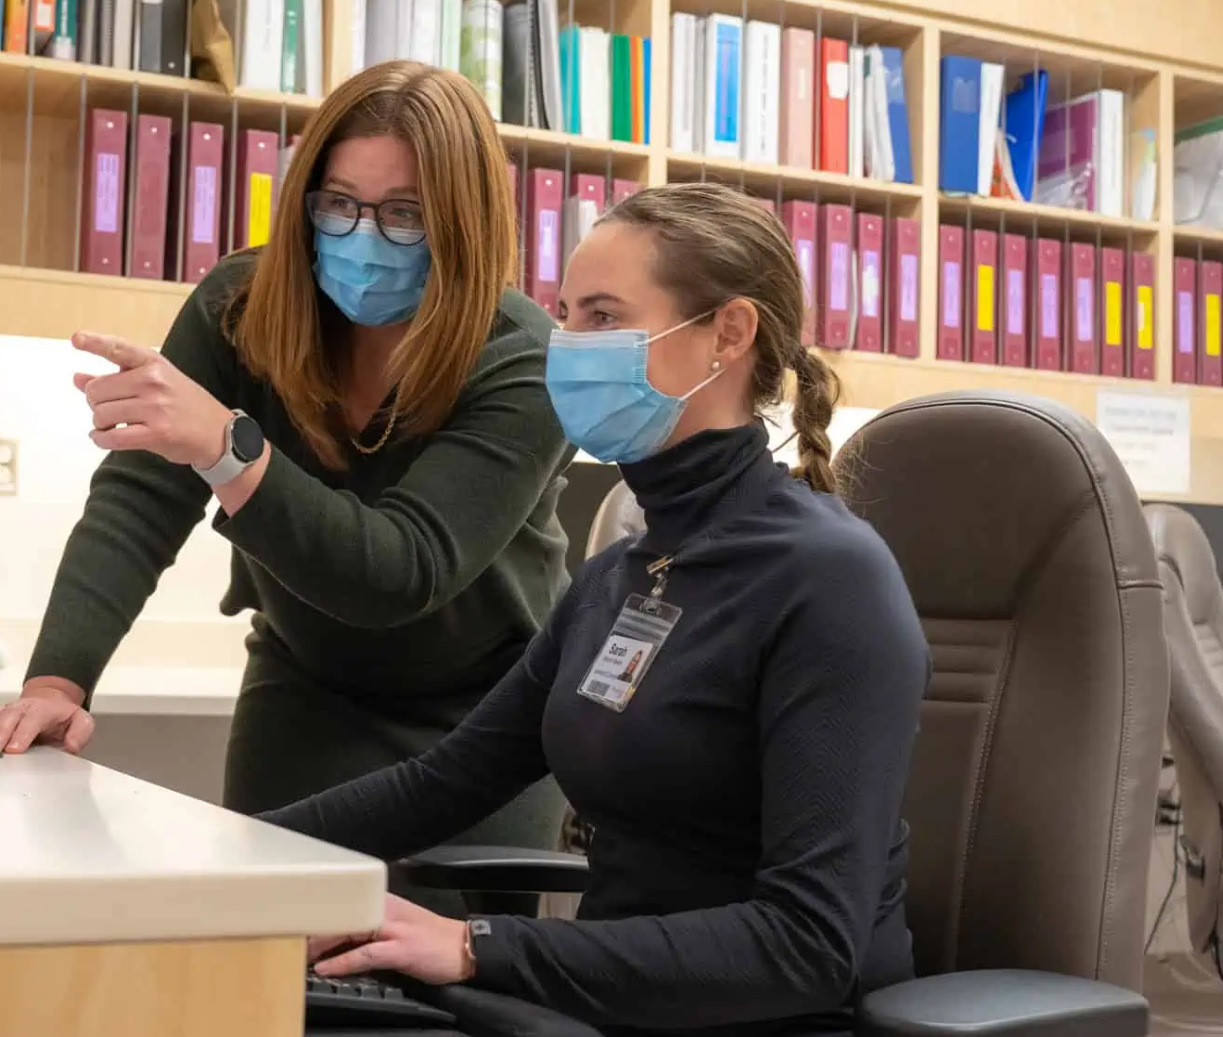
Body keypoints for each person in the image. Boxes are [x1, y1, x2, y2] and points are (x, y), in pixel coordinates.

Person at [267, 181, 931, 1036]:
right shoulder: (625, 571)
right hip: (610, 1006)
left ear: (729, 334)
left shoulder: (830, 580)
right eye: (566, 315)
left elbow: (808, 945)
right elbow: (446, 781)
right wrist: (216, 852)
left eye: (604, 317)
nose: (569, 345)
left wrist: (474, 943)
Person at [0, 61, 573, 915]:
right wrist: (56, 684)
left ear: (462, 223)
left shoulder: (525, 357)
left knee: (446, 972)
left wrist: (228, 446)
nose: (363, 235)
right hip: (307, 690)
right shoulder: (241, 308)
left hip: (483, 719)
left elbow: (400, 569)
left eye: (405, 213)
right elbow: (141, 499)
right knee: (266, 951)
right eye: (339, 203)